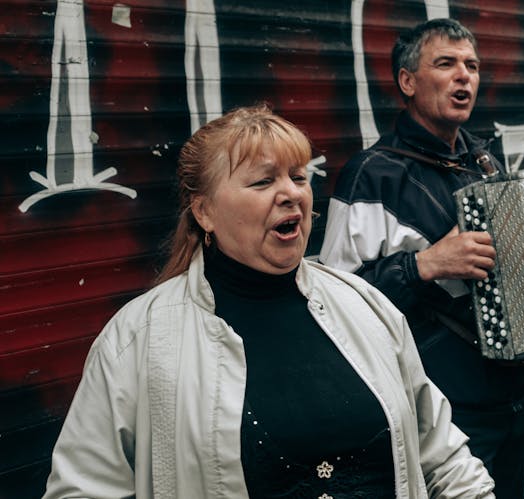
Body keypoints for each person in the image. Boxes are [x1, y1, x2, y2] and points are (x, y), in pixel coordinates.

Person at [42, 104, 495, 499]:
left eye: (299, 177)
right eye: (262, 181)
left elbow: (442, 454)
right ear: (204, 212)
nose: (292, 193)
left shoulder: (365, 307)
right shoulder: (137, 341)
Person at [319, 18, 524, 498]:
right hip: (441, 415)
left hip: (513, 403)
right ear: (407, 81)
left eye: (472, 66)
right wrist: (425, 265)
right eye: (446, 64)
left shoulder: (486, 164)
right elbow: (336, 307)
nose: (464, 76)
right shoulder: (373, 177)